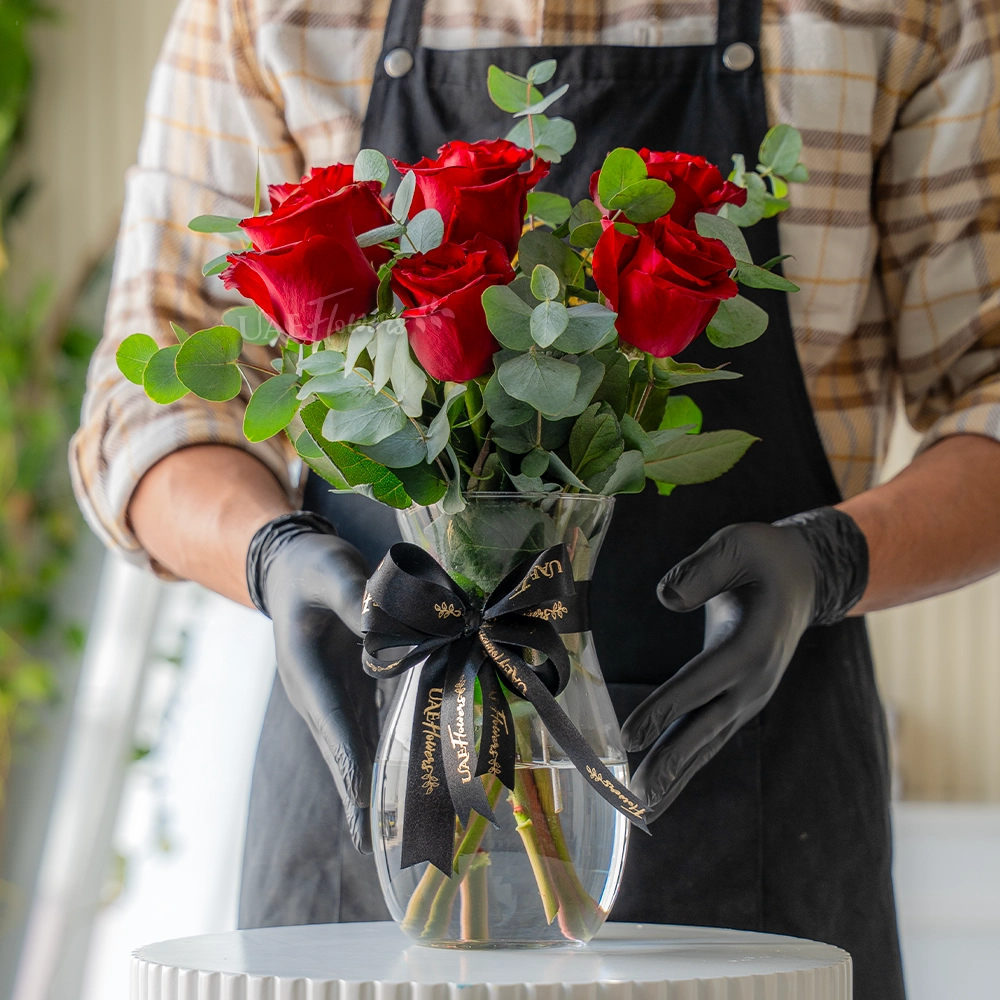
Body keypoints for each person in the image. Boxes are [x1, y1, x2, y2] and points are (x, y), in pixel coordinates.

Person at [70, 1, 1000, 996]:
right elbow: (146, 409)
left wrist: (830, 562)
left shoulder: (910, 13)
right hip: (373, 820)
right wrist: (269, 554)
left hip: (758, 823)